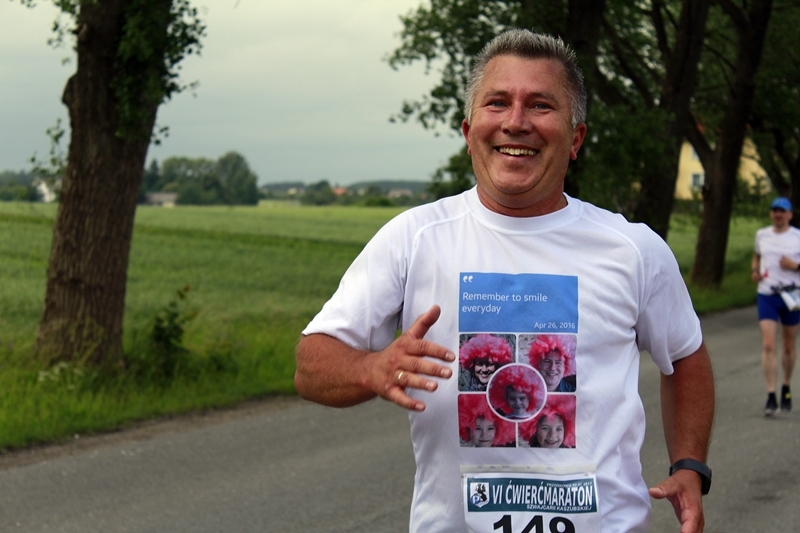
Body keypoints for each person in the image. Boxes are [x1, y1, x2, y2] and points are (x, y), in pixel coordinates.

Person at [295, 29, 714, 533]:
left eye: (541, 105)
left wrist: (690, 464)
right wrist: (372, 368)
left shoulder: (633, 249)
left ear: (576, 138)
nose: (516, 122)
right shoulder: (414, 238)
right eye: (497, 103)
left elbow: (685, 355)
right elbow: (311, 364)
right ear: (469, 130)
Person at [751, 196, 800, 415]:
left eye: (782, 211)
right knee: (769, 345)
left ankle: (786, 385)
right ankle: (771, 395)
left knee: (788, 346)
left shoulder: (797, 236)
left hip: (792, 296)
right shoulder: (762, 235)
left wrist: (794, 265)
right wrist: (755, 271)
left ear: (789, 214)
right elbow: (756, 256)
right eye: (775, 211)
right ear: (771, 214)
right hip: (767, 294)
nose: (778, 214)